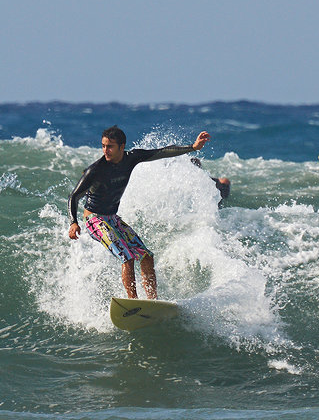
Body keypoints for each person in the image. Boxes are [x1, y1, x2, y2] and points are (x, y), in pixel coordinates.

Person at [67, 126, 211, 299]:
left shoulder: (131, 158)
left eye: (110, 146)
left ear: (122, 146)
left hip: (112, 219)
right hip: (94, 219)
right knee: (127, 258)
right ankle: (133, 302)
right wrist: (73, 222)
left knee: (147, 256)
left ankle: (152, 300)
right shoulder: (96, 170)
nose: (106, 150)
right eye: (104, 146)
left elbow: (161, 152)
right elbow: (74, 196)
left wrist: (192, 147)